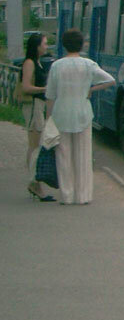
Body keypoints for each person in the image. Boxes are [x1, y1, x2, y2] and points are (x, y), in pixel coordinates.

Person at [44, 28, 115, 205]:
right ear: (82, 44)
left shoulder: (56, 66)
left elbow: (50, 96)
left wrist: (48, 119)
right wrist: (90, 89)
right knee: (83, 156)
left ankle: (67, 196)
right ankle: (83, 196)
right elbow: (110, 80)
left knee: (63, 156)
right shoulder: (88, 64)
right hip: (83, 114)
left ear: (64, 45)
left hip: (61, 114)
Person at [22, 33, 52, 201]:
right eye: (45, 43)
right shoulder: (29, 63)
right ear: (37, 46)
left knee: (36, 145)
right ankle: (34, 183)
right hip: (33, 105)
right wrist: (44, 89)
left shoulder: (38, 62)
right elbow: (26, 87)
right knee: (34, 146)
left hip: (38, 106)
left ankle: (35, 183)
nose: (46, 46)